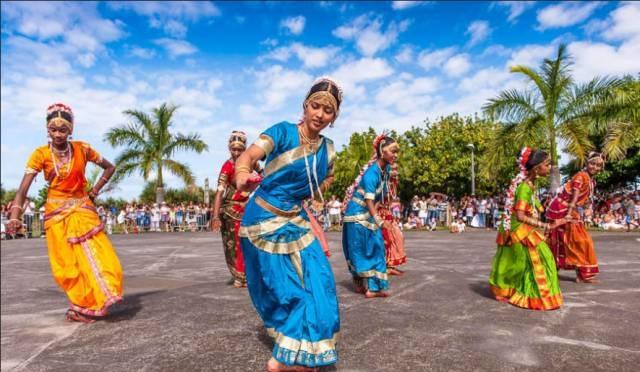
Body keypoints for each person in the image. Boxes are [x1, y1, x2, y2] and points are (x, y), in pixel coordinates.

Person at [235, 78, 341, 371]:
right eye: (315, 106)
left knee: (321, 281)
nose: (319, 114)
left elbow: (325, 177)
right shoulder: (281, 132)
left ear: (335, 118)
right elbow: (249, 155)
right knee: (288, 289)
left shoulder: (329, 150)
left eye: (328, 111)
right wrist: (243, 172)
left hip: (297, 218)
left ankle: (302, 350)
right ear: (305, 105)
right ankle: (284, 357)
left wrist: (316, 199)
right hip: (264, 221)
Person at [6, 103, 123, 323]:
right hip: (56, 215)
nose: (58, 134)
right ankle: (80, 307)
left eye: (63, 129)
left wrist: (95, 191)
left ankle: (99, 299)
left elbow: (110, 167)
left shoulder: (83, 149)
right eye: (53, 129)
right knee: (68, 267)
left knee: (102, 258)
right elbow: (22, 189)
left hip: (82, 209)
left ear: (71, 130)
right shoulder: (40, 154)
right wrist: (14, 216)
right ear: (47, 130)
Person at [488, 147, 565, 311]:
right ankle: (535, 297)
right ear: (536, 168)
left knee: (523, 262)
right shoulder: (524, 187)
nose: (550, 167)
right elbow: (521, 216)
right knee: (541, 258)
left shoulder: (531, 184)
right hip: (521, 228)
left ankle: (522, 290)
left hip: (526, 227)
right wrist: (547, 225)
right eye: (547, 164)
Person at [342, 134, 399, 298]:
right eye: (392, 152)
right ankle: (364, 284)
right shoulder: (372, 174)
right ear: (382, 151)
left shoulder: (385, 170)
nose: (395, 156)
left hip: (367, 213)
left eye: (396, 152)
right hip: (356, 214)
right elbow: (368, 200)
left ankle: (372, 287)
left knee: (375, 246)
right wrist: (379, 221)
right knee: (364, 248)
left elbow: (382, 196)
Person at [546, 152, 605, 283]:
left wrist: (587, 208)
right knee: (577, 241)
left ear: (601, 168)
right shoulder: (581, 176)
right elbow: (575, 194)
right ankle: (551, 269)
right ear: (587, 163)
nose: (594, 167)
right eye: (592, 163)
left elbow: (584, 199)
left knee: (575, 241)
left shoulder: (590, 180)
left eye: (598, 165)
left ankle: (580, 274)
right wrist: (569, 213)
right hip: (563, 209)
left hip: (568, 209)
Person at [211, 131, 256, 288]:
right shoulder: (227, 166)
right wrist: (215, 216)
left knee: (248, 243)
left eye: (240, 150)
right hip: (230, 211)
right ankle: (239, 275)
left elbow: (264, 176)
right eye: (233, 149)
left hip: (247, 209)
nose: (236, 153)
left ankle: (247, 274)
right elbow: (219, 191)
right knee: (233, 245)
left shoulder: (250, 162)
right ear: (229, 148)